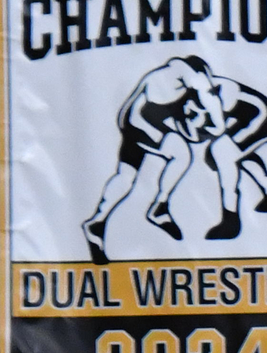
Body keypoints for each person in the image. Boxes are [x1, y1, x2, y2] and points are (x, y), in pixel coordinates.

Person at [83, 56, 222, 262]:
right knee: (181, 154)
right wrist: (217, 125)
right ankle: (160, 206)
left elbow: (182, 120)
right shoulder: (183, 75)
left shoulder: (171, 80)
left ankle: (96, 223)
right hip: (140, 120)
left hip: (133, 119)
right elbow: (206, 93)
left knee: (126, 176)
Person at [201, 73, 267, 240]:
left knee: (223, 153)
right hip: (250, 117)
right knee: (231, 152)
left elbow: (215, 124)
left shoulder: (207, 89)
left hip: (261, 118)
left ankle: (230, 220)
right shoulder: (197, 88)